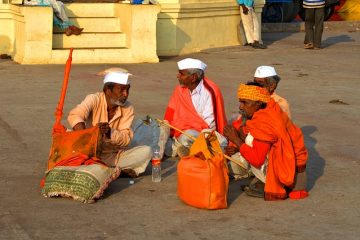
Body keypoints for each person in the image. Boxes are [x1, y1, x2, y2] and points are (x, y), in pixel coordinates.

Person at [224, 82, 308, 200]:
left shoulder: (264, 121)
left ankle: (267, 181)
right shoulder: (270, 107)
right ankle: (261, 179)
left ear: (258, 103)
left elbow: (257, 160)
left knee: (249, 140)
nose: (241, 107)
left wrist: (236, 140)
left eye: (245, 103)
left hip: (288, 175)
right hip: (294, 170)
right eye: (240, 102)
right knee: (247, 138)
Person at [67, 71, 152, 177]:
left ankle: (105, 170)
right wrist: (88, 137)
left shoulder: (128, 108)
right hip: (87, 152)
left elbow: (126, 138)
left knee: (146, 151)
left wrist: (109, 133)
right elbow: (75, 115)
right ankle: (110, 170)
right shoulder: (94, 99)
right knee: (67, 139)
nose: (125, 94)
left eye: (127, 90)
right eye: (121, 90)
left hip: (111, 155)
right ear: (108, 90)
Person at [164, 58, 228, 158]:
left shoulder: (210, 91)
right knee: (160, 129)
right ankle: (185, 148)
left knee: (187, 137)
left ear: (193, 77)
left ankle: (185, 149)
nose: (178, 76)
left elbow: (210, 127)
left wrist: (189, 128)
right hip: (180, 133)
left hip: (201, 134)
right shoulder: (179, 90)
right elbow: (170, 116)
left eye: (181, 74)